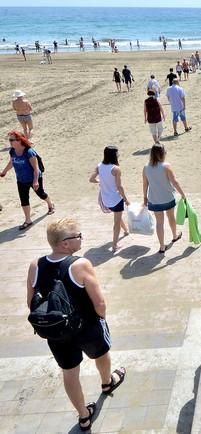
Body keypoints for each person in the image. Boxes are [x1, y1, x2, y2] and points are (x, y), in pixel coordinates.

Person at [26, 218, 126, 432]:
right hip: (86, 326)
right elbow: (99, 302)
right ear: (65, 244)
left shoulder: (36, 265)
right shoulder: (79, 264)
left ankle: (83, 416)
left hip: (56, 330)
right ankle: (107, 382)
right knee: (101, 354)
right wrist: (101, 319)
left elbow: (30, 302)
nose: (81, 238)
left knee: (69, 372)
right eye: (78, 236)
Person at [0, 131, 55, 230]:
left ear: (19, 140)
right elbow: (12, 162)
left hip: (34, 178)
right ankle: (28, 220)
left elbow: (36, 168)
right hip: (21, 180)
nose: (10, 142)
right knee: (24, 200)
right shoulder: (12, 151)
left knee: (41, 194)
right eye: (9, 140)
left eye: (12, 140)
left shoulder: (29, 152)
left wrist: (35, 181)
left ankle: (50, 204)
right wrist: (4, 172)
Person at [142, 144, 185, 253]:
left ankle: (162, 246)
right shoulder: (166, 166)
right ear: (162, 153)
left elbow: (145, 184)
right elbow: (174, 182)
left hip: (154, 199)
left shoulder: (146, 167)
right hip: (167, 197)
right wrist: (183, 194)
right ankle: (175, 235)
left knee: (159, 222)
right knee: (171, 217)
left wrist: (145, 198)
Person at [89, 146, 130, 251]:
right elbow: (119, 187)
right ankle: (115, 245)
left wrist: (101, 182)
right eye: (117, 153)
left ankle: (125, 230)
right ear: (113, 155)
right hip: (116, 199)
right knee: (116, 222)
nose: (118, 154)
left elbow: (91, 179)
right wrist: (126, 199)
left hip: (105, 199)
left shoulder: (99, 166)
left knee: (117, 216)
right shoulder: (116, 169)